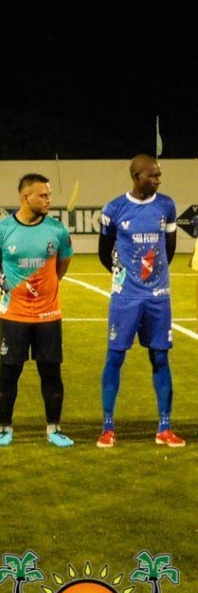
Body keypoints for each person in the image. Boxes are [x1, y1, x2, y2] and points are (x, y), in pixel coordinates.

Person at [96, 155, 183, 447]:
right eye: (152, 176)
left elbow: (169, 249)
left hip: (158, 297)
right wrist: (125, 279)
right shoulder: (114, 209)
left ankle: (164, 427)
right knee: (115, 357)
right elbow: (104, 252)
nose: (158, 180)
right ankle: (108, 427)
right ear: (136, 176)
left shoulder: (166, 206)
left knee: (160, 357)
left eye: (159, 175)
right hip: (125, 297)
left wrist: (155, 280)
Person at [0, 173, 74, 447]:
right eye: (43, 195)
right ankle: (4, 428)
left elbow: (62, 266)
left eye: (49, 195)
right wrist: (12, 289)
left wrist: (46, 290)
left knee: (51, 372)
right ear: (26, 197)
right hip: (13, 316)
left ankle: (54, 429)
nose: (48, 200)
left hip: (48, 315)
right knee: (9, 372)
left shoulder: (58, 231)